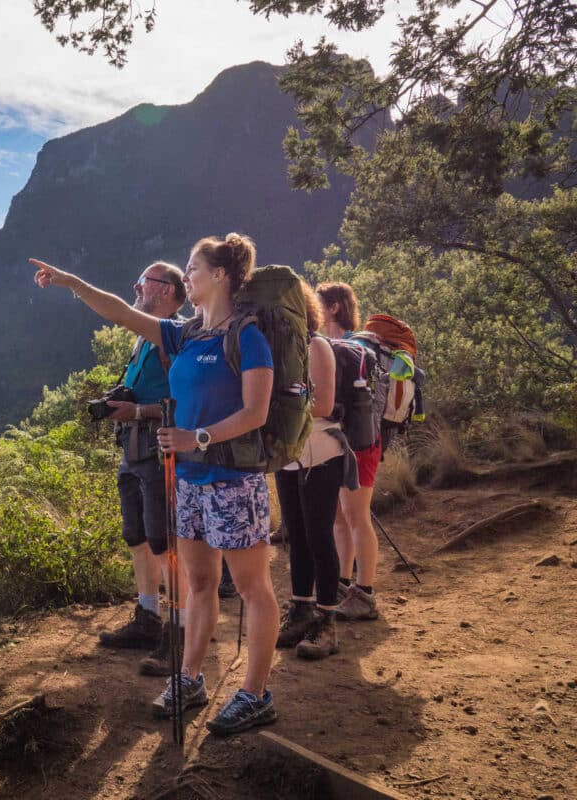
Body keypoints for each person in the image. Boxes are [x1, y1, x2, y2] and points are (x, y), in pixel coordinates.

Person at [30, 232, 280, 736]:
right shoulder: (184, 335)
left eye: (193, 267)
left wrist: (198, 436)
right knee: (201, 583)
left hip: (233, 481)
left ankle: (255, 693)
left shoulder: (248, 335)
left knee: (253, 589)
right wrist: (69, 281)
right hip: (187, 480)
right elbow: (122, 312)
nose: (186, 276)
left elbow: (257, 412)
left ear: (221, 275)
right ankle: (190, 678)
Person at [95, 262, 189, 679]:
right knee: (136, 536)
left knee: (164, 541)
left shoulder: (178, 337)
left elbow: (185, 402)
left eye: (144, 282)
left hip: (161, 450)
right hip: (132, 448)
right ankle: (147, 615)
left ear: (168, 290)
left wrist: (137, 410)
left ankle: (179, 631)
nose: (137, 286)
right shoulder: (143, 338)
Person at [274, 280, 355, 660]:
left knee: (320, 535)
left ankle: (327, 621)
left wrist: (283, 396)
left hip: (321, 452)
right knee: (296, 534)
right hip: (290, 455)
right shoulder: (280, 350)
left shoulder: (316, 345)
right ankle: (301, 608)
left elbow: (322, 405)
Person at [316, 282, 381, 621]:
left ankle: (365, 592)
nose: (315, 309)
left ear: (334, 308)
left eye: (319, 303)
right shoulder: (337, 346)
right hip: (345, 442)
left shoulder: (348, 348)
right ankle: (343, 582)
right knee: (340, 517)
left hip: (359, 443)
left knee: (357, 517)